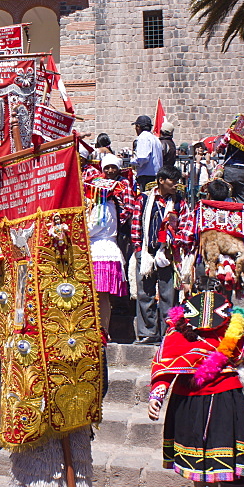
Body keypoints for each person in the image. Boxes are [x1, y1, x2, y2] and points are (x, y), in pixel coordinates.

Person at [148, 293, 244, 487]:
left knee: (201, 479)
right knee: (212, 475)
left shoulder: (177, 332)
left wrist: (157, 395)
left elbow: (164, 368)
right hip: (224, 401)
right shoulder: (239, 329)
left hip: (188, 402)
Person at [133, 165, 190, 344]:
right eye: (173, 181)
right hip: (146, 252)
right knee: (145, 294)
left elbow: (186, 226)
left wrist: (173, 245)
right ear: (161, 181)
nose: (176, 185)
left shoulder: (180, 202)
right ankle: (148, 333)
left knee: (168, 294)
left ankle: (168, 333)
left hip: (168, 254)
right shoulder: (143, 199)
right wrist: (138, 251)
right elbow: (136, 225)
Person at [85, 154, 133, 332]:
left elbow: (94, 227)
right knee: (102, 298)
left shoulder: (102, 206)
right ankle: (102, 330)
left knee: (99, 297)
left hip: (100, 251)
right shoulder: (110, 205)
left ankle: (101, 331)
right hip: (108, 250)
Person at [131, 115, 163, 191]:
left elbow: (143, 158)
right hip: (156, 175)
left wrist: (132, 161)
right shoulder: (155, 138)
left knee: (146, 199)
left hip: (146, 177)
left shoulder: (143, 138)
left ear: (138, 127)